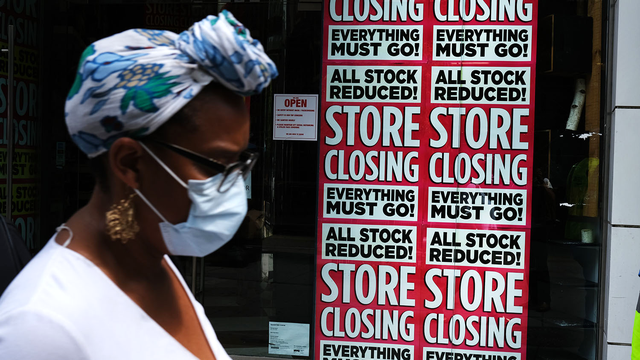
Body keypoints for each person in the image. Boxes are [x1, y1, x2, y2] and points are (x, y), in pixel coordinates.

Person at [0, 11, 277, 360]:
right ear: (129, 162)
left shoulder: (155, 262)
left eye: (241, 162)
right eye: (217, 165)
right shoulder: (40, 327)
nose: (233, 183)